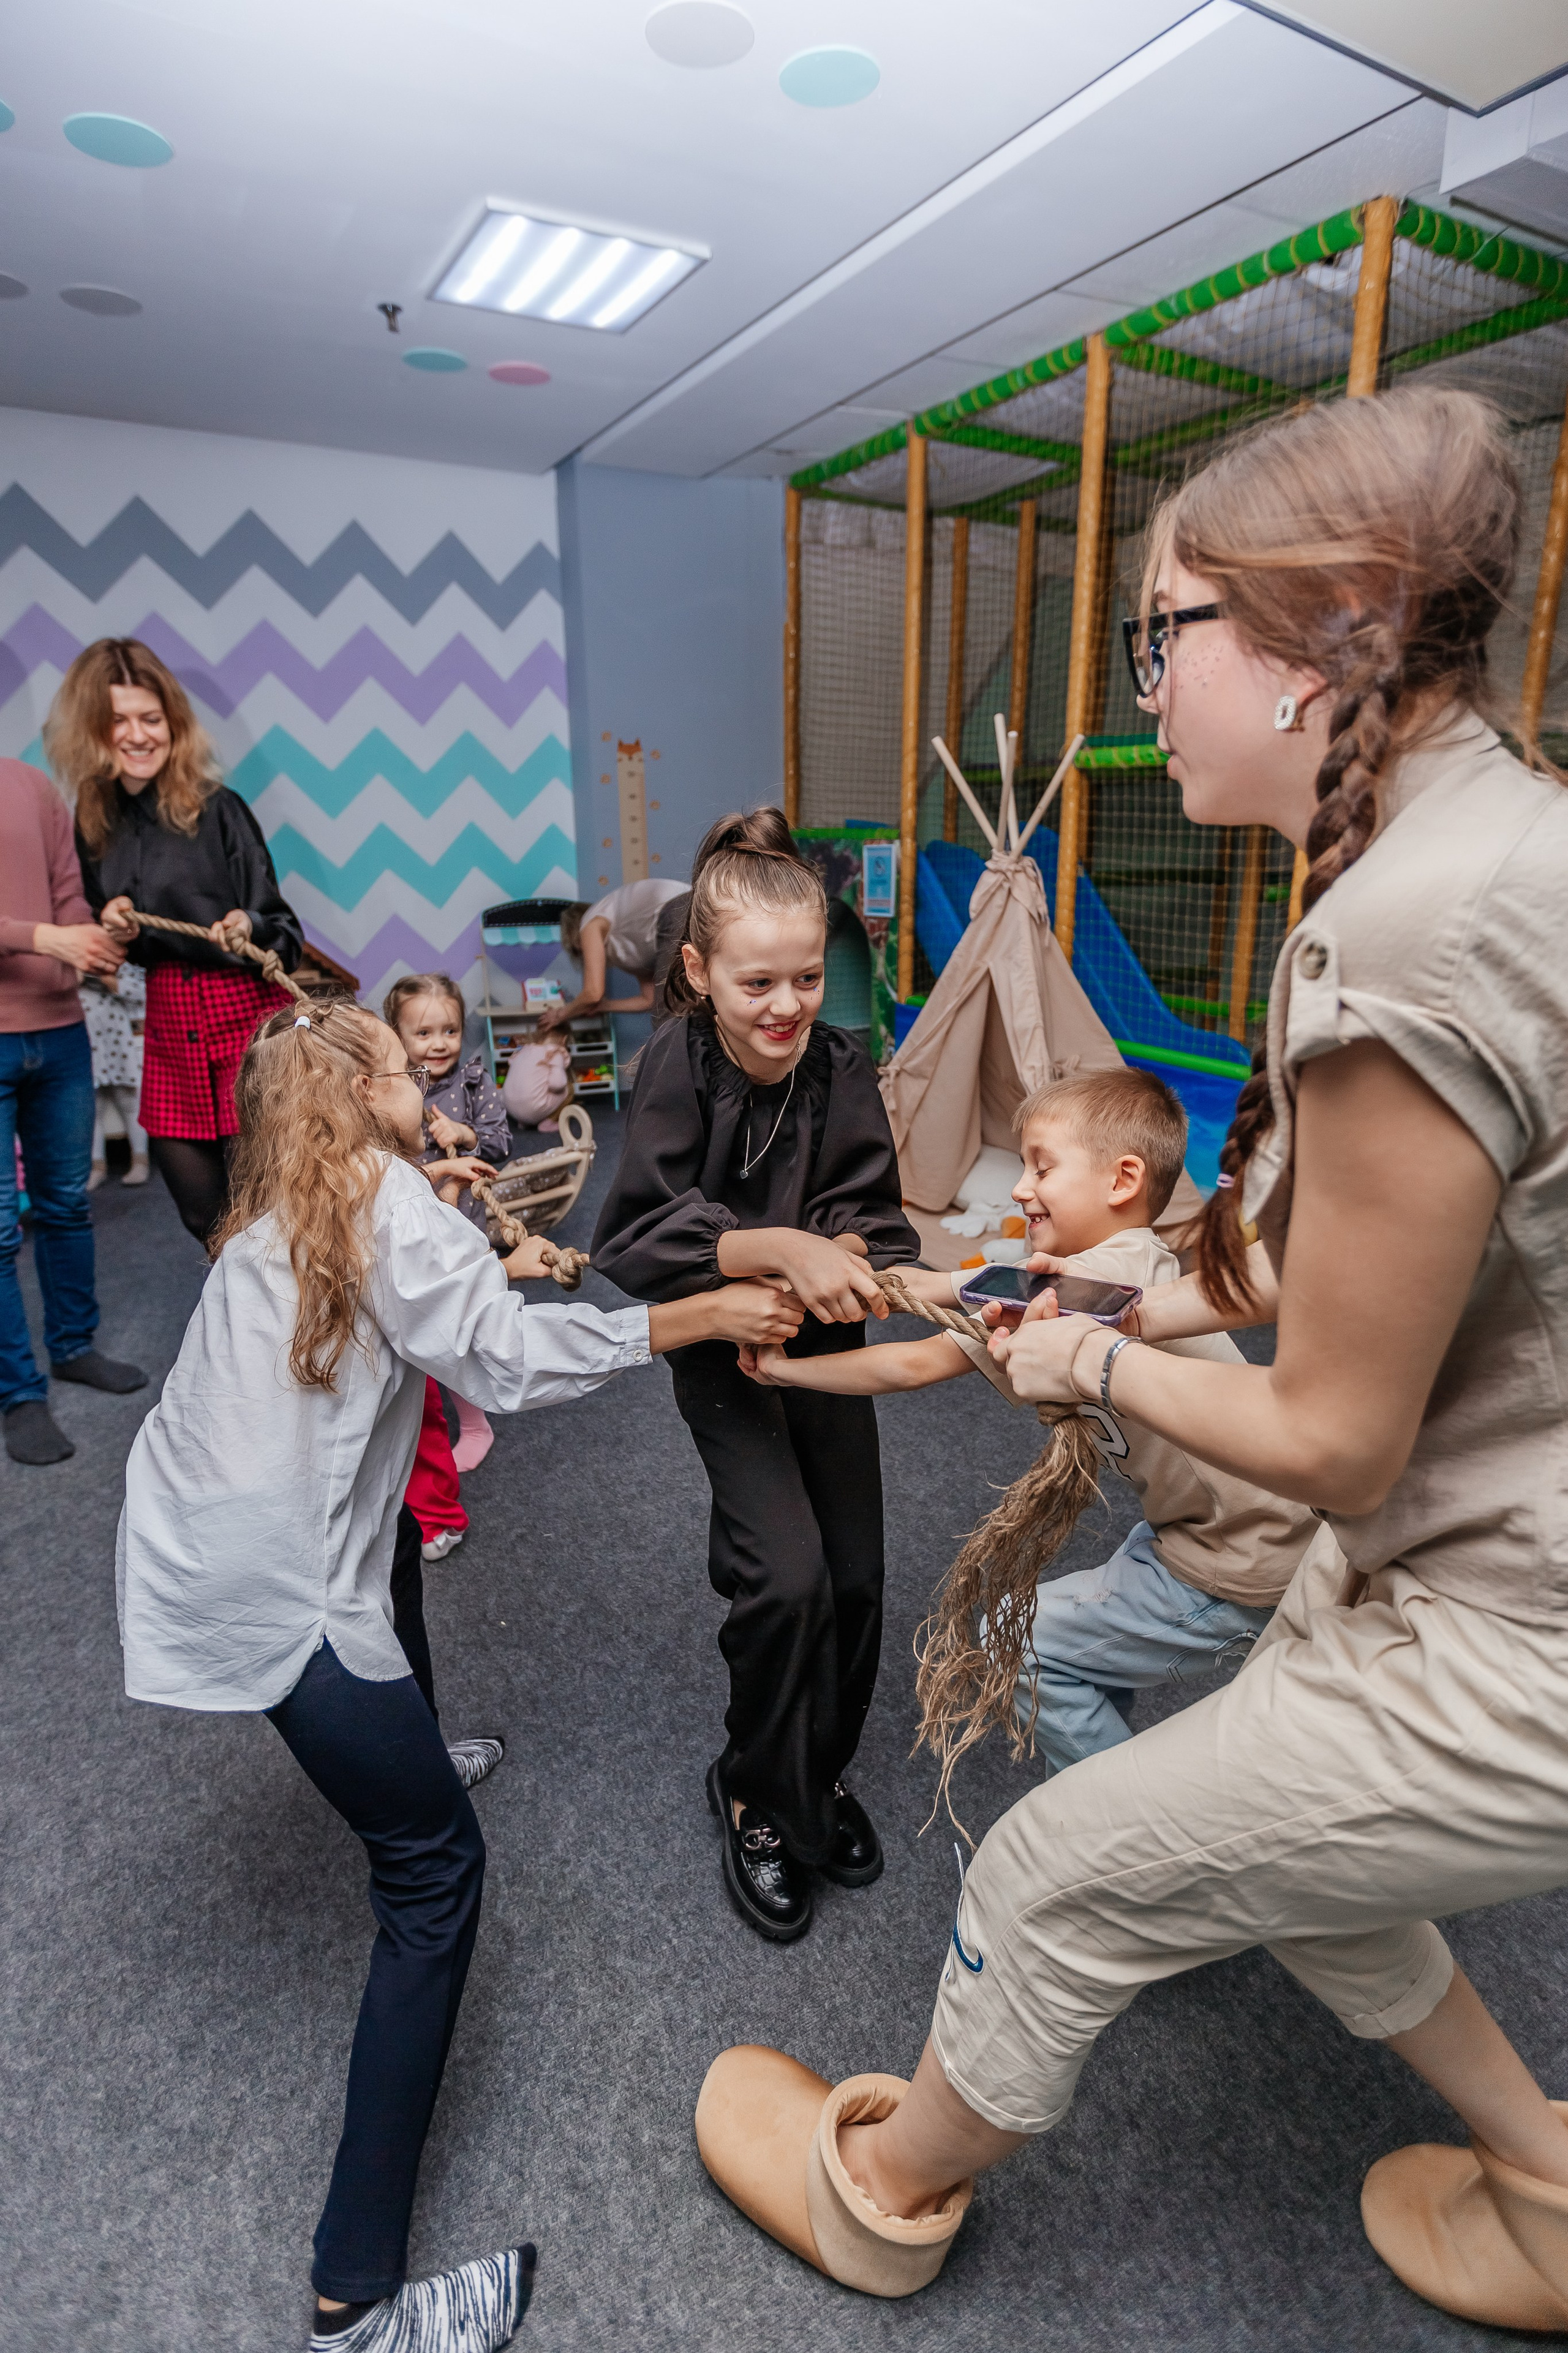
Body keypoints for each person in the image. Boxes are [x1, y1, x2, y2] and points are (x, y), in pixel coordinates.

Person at [692, 385, 1568, 2325]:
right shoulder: (1490, 849)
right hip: (1476, 1554)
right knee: (1323, 1882)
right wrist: (1087, 1302)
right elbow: (1284, 1262)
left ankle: (878, 2194)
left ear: (1320, 624)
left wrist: (1078, 1367)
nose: (1139, 685)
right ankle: (1552, 2171)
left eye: (1155, 634)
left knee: (1050, 1874)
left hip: (1509, 1621)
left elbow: (1330, 1431)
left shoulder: (1412, 932)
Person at [118, 997, 801, 2352]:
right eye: (403, 1064)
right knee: (433, 1879)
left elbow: (399, 1266)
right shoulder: (380, 1197)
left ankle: (408, 1739)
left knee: (397, 1574)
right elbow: (501, 1355)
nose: (430, 1077)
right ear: (365, 1092)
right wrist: (684, 1319)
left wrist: (436, 1200)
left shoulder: (291, 1204)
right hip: (280, 1592)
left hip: (196, 1544)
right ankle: (353, 2300)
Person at [741, 1067, 1319, 1799]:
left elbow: (918, 1362)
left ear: (1122, 1180)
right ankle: (1102, 1776)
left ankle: (1118, 1825)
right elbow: (954, 1285)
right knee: (1061, 1641)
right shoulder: (1109, 1265)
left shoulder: (1105, 1278)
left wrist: (786, 1374)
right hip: (1206, 1532)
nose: (1019, 1187)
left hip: (1237, 1562)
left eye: (1042, 1165)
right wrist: (869, 1278)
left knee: (1016, 1646)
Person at [592, 809, 920, 1944]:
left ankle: (814, 1778)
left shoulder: (841, 1066)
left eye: (805, 978)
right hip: (723, 1357)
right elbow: (633, 1237)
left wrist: (848, 1262)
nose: (786, 1007)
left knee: (859, 1578)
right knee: (783, 1580)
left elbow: (876, 1221)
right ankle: (756, 1794)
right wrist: (774, 1249)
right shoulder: (674, 1066)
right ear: (698, 971)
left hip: (824, 1363)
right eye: (756, 984)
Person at [47, 636, 305, 1245]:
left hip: (243, 1021)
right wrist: (115, 928)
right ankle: (247, 1333)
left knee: (267, 1217)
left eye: (151, 719)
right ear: (93, 732)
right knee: (204, 1219)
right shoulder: (92, 818)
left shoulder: (219, 810)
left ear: (174, 724)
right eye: (118, 721)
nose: (138, 735)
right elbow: (122, 951)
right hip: (168, 1025)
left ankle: (301, 1337)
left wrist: (249, 923)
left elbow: (286, 933)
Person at [0, 753, 146, 1466]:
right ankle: (19, 1393)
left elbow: (67, 895)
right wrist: (44, 939)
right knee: (0, 1227)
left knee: (65, 1203)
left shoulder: (29, 784)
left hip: (60, 1031)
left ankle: (73, 1347)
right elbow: (46, 926)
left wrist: (91, 944)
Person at [383, 972, 513, 1548]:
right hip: (413, 1232)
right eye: (424, 1032)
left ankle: (477, 1420)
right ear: (398, 1036)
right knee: (427, 1336)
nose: (440, 1043)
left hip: (463, 1229)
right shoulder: (392, 1089)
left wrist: (469, 1135)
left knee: (464, 1330)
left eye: (451, 1030)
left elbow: (501, 1142)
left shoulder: (473, 1080)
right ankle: (447, 1421)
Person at [539, 876, 688, 1031]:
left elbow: (593, 993)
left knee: (667, 1023)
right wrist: (603, 1006)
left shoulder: (590, 923)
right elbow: (648, 1000)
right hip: (698, 910)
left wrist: (559, 1015)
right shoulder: (631, 947)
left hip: (678, 908)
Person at [83, 959, 150, 1189]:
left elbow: (142, 994)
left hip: (120, 1039)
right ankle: (96, 1166)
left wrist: (104, 978)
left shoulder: (125, 961)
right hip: (85, 1038)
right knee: (91, 1108)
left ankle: (141, 1160)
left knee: (130, 1102)